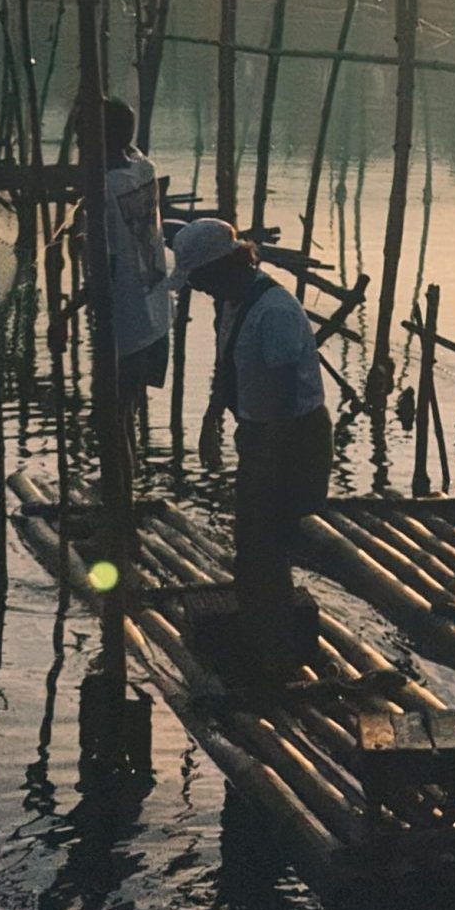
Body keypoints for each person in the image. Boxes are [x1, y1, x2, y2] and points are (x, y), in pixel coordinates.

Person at [170, 218, 332, 623]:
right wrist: (212, 420)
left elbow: (279, 400)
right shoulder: (232, 301)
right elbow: (227, 366)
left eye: (200, 280)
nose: (199, 290)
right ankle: (260, 620)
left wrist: (263, 467)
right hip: (260, 430)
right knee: (252, 538)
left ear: (224, 267)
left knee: (270, 536)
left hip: (292, 437)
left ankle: (273, 632)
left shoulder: (273, 312)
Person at [99, 98, 171, 427]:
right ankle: (127, 480)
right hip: (156, 314)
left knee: (114, 418)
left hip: (127, 321)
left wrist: (66, 315)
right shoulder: (145, 167)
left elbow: (107, 269)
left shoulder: (106, 187)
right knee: (126, 413)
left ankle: (121, 480)